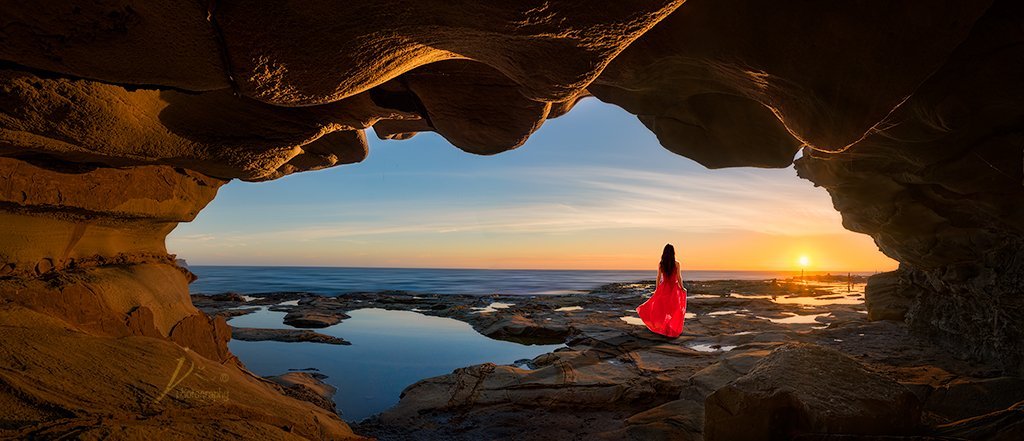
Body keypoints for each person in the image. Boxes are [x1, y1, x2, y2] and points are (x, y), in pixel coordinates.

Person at [636, 243, 687, 338]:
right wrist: (682, 287)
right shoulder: (676, 263)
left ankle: (664, 326)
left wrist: (657, 289)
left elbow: (658, 277)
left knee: (662, 308)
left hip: (664, 287)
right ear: (673, 253)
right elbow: (679, 277)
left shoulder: (661, 263)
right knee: (673, 308)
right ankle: (669, 327)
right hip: (673, 288)